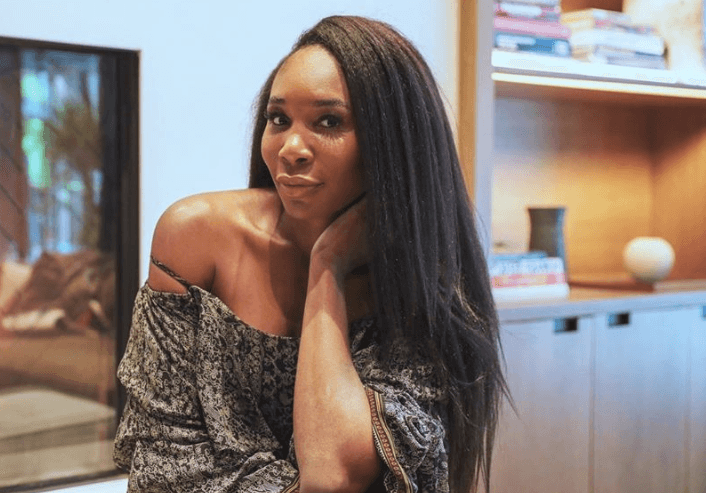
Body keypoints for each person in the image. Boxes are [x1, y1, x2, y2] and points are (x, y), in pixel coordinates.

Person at [114, 15, 507, 493]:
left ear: (394, 142)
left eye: (329, 121)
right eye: (279, 119)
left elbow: (332, 473)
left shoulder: (424, 287)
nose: (290, 149)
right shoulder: (195, 238)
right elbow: (163, 464)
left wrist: (327, 267)